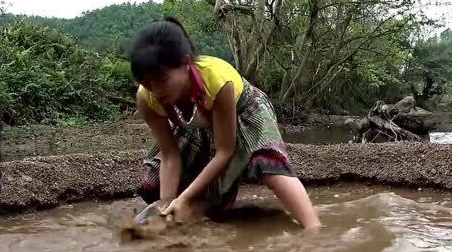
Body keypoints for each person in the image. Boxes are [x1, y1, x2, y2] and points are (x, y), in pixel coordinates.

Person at [128, 17, 322, 230]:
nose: (156, 91)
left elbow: (224, 151)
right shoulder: (147, 99)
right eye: (147, 83)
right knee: (153, 186)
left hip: (243, 109)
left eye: (162, 80)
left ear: (185, 63)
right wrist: (167, 207)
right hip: (197, 123)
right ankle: (198, 210)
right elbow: (170, 155)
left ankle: (314, 228)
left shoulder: (218, 81)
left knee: (267, 162)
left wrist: (184, 199)